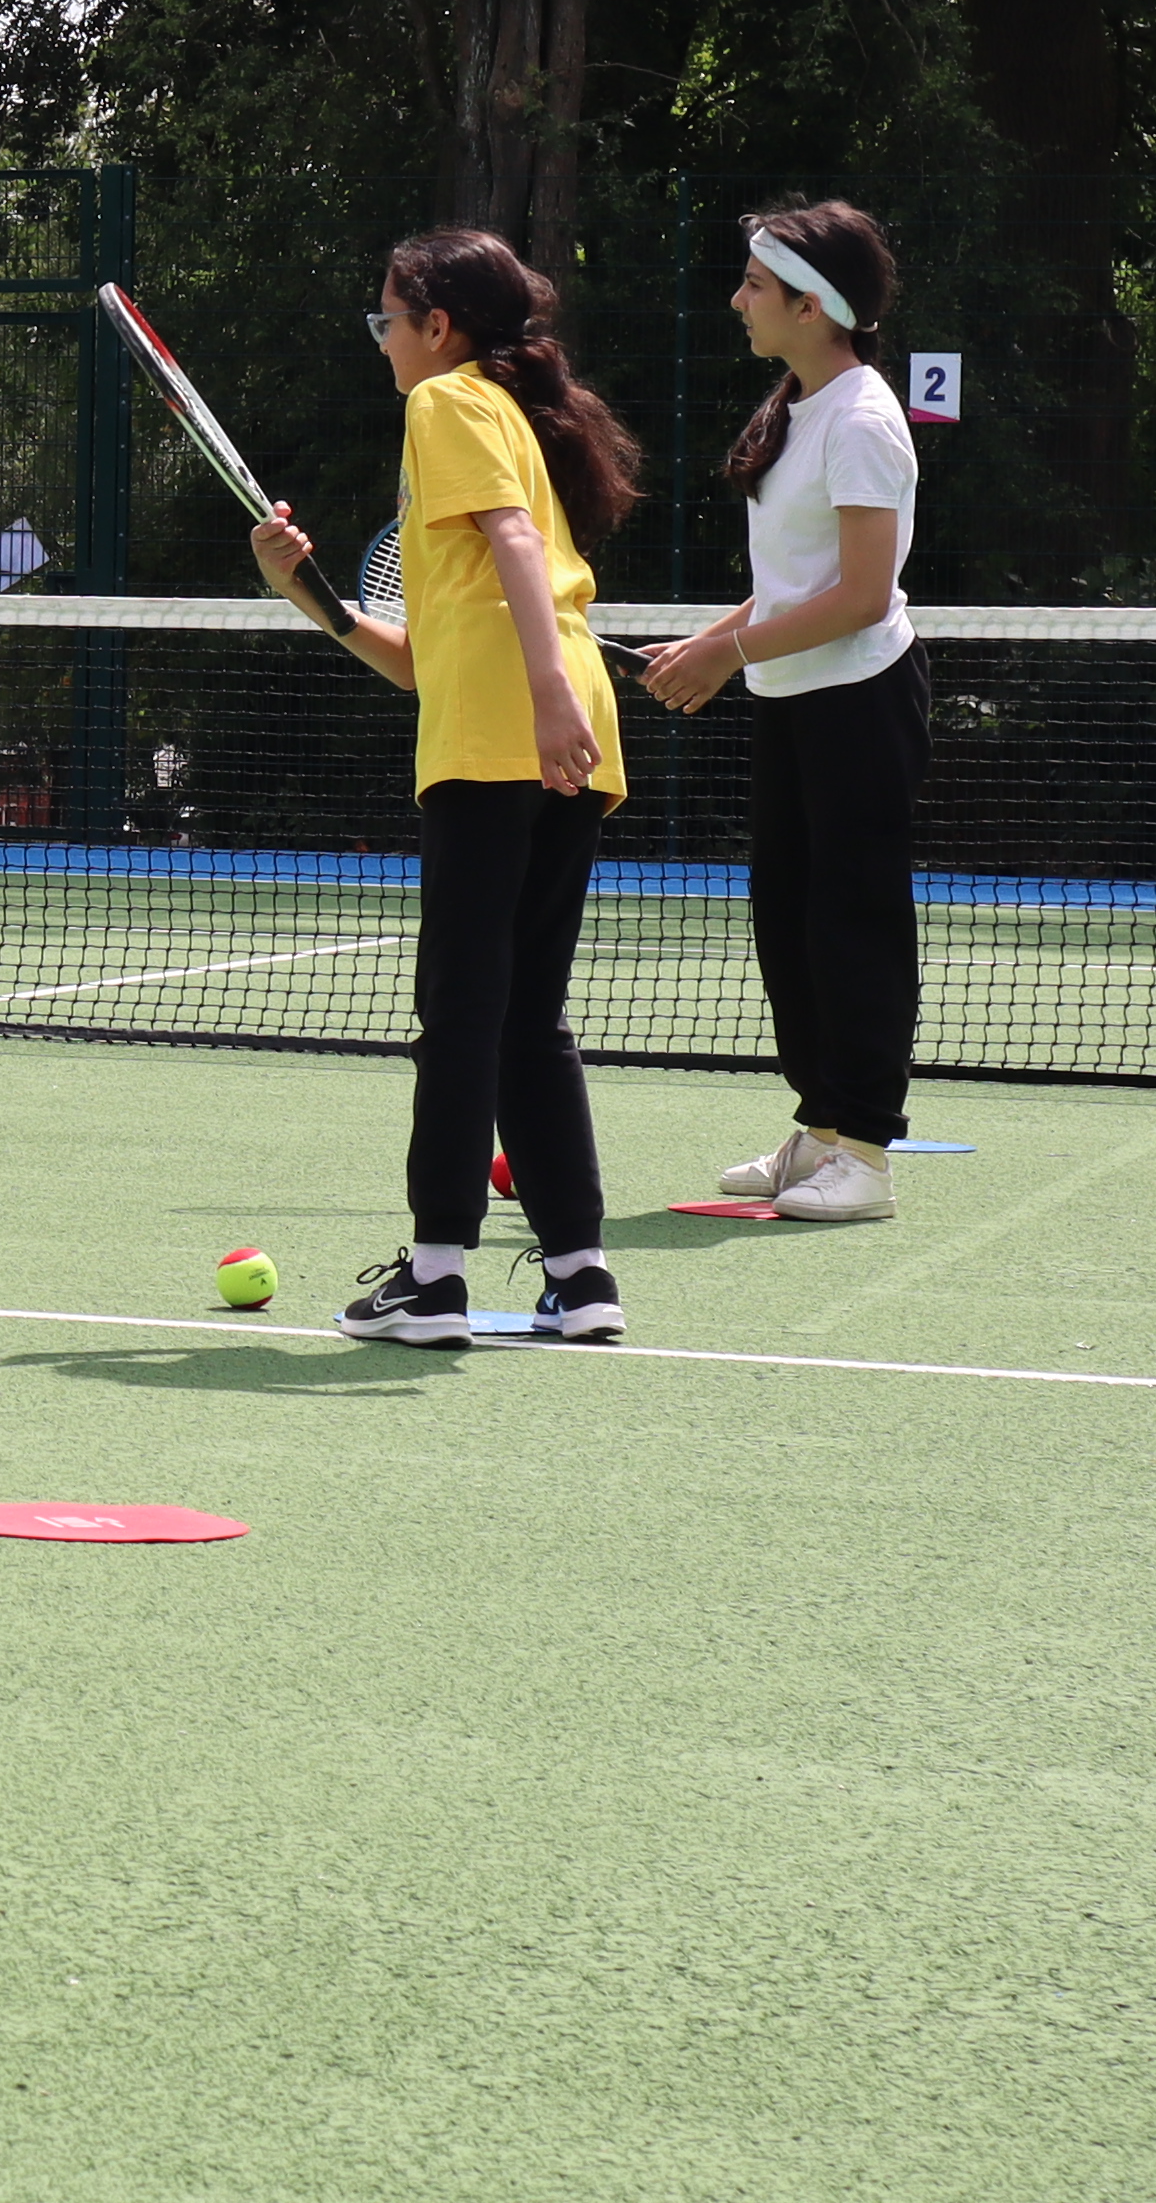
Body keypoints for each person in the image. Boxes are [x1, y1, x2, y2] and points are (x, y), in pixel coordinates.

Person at [251, 227, 641, 1346]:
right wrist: (311, 596)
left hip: (510, 733)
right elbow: (425, 658)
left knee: (462, 1012)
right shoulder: (511, 415)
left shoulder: (447, 403)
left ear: (438, 324)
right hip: (557, 729)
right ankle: (581, 1273)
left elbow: (517, 544)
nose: (382, 344)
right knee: (527, 1018)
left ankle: (434, 1277)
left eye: (388, 320)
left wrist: (546, 699)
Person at [638, 204, 921, 1222]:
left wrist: (726, 650)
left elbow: (858, 594)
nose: (738, 299)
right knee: (787, 922)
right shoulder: (797, 405)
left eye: (756, 285)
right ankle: (822, 1132)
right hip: (791, 700)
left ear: (815, 305)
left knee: (854, 925)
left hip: (861, 704)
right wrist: (714, 648)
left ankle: (869, 1162)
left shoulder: (863, 418)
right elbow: (789, 581)